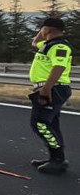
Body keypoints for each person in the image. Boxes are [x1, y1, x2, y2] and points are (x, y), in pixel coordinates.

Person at [28, 17, 72, 174]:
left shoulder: (59, 46)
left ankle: (58, 159)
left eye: (43, 28)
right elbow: (34, 43)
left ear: (48, 30)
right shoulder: (48, 45)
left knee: (40, 123)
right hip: (51, 88)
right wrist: (43, 31)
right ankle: (55, 156)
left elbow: (58, 67)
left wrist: (46, 89)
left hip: (53, 89)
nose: (41, 31)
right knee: (51, 123)